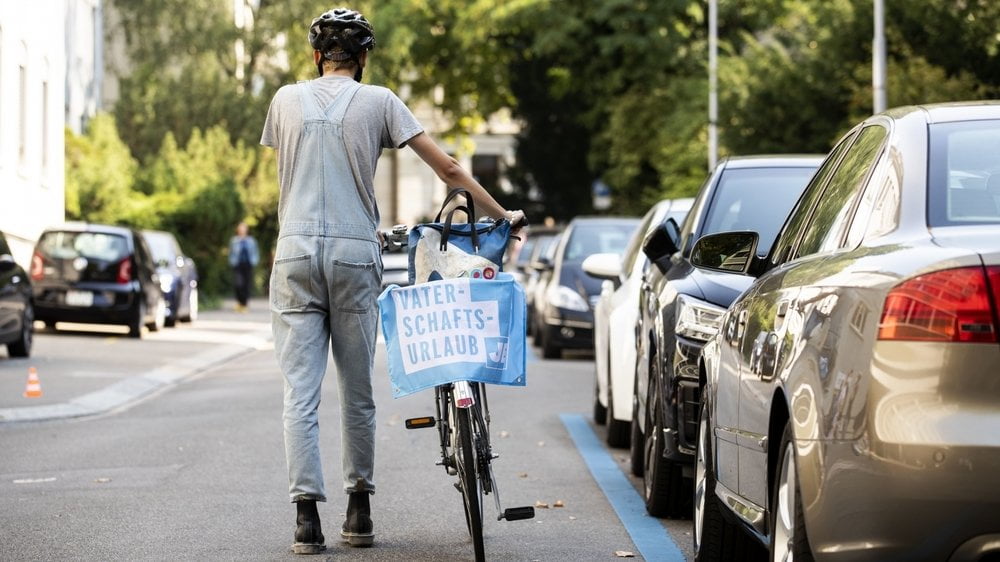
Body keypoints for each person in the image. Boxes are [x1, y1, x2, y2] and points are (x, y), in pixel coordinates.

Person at [259, 8, 525, 556]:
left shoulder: (285, 99)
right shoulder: (380, 101)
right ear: (362, 58)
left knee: (299, 394)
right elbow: (449, 170)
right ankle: (359, 511)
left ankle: (306, 519)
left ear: (316, 56)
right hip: (356, 255)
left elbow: (289, 170)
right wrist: (503, 216)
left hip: (293, 255)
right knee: (357, 391)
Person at [228, 222, 260, 312]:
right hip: (238, 264)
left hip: (248, 264)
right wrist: (232, 262)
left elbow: (255, 252)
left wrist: (254, 262)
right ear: (238, 230)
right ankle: (239, 302)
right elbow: (231, 253)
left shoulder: (251, 241)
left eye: (244, 228)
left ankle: (244, 304)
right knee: (238, 284)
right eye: (240, 228)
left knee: (246, 284)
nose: (242, 230)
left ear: (246, 230)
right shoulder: (234, 240)